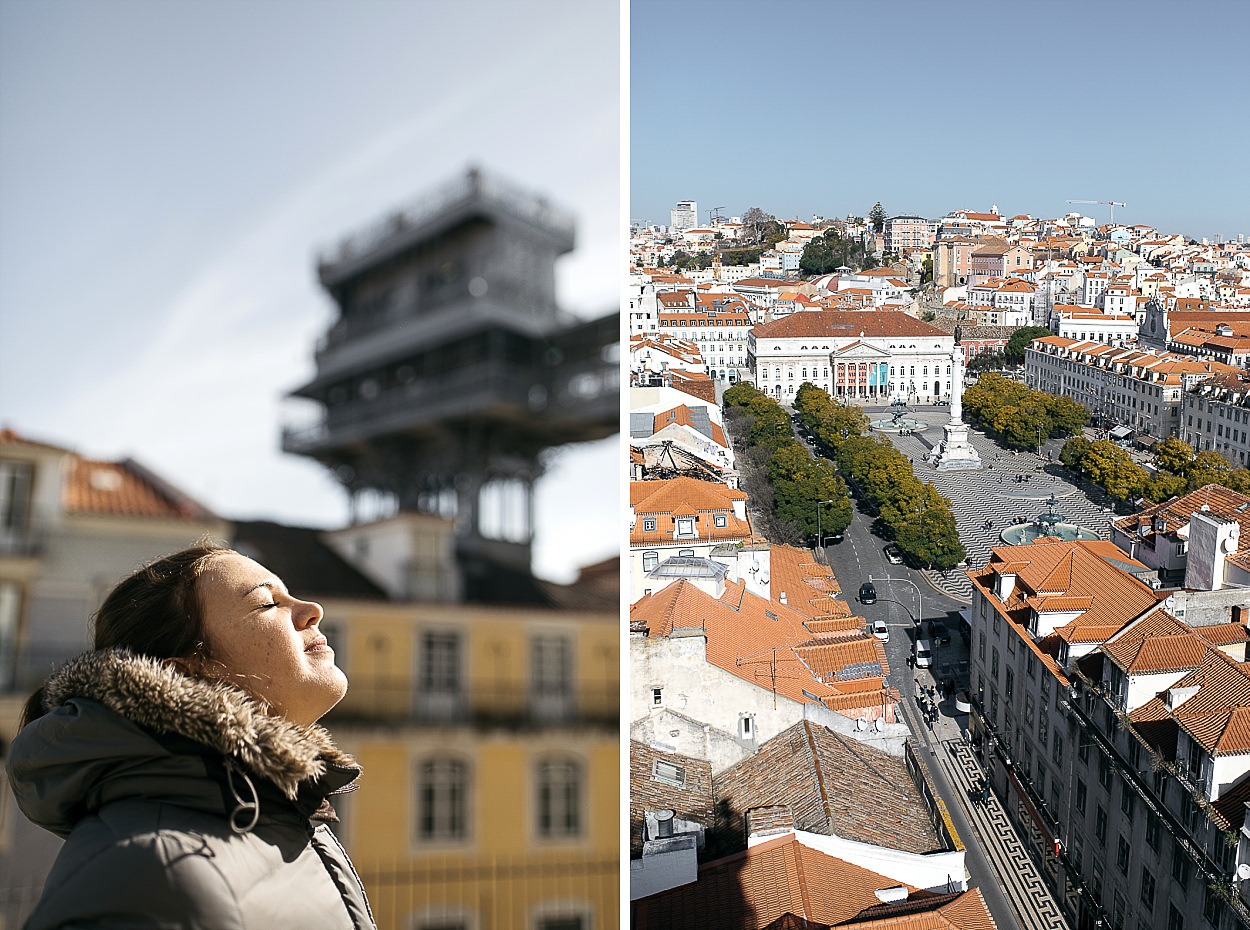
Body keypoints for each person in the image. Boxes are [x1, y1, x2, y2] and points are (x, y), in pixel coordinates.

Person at [7, 543, 376, 930]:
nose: (311, 610)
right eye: (267, 604)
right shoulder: (149, 875)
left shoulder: (280, 812)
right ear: (187, 673)